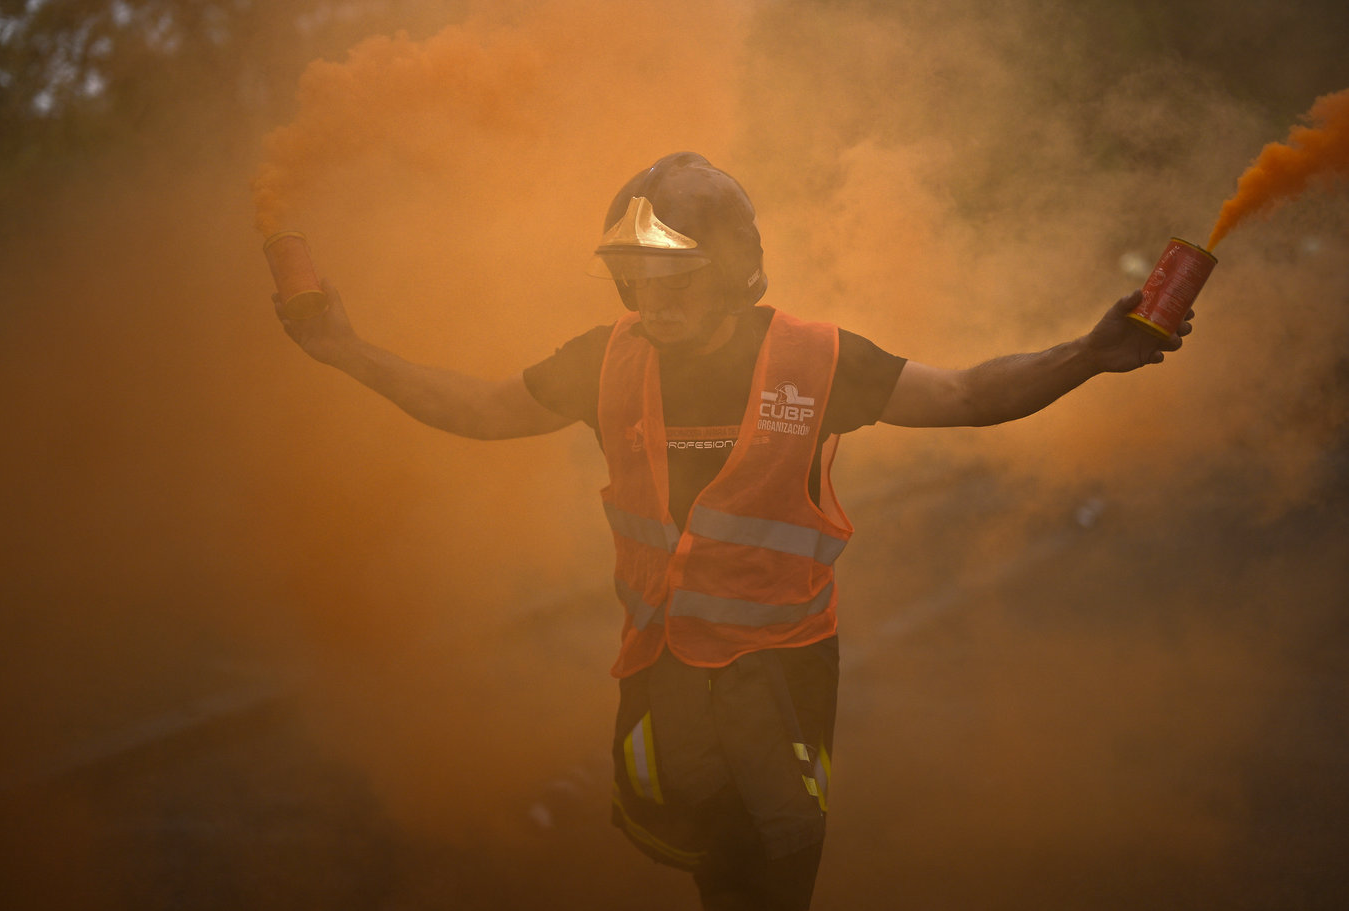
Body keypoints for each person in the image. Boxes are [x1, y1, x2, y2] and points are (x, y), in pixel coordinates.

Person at [274, 152, 1191, 910]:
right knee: (702, 859)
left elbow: (965, 395)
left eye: (676, 276)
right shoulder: (603, 358)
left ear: (732, 271)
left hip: (778, 677)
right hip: (659, 667)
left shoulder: (818, 358)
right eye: (637, 278)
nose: (653, 299)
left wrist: (1087, 355)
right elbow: (481, 409)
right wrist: (346, 351)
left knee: (770, 872)